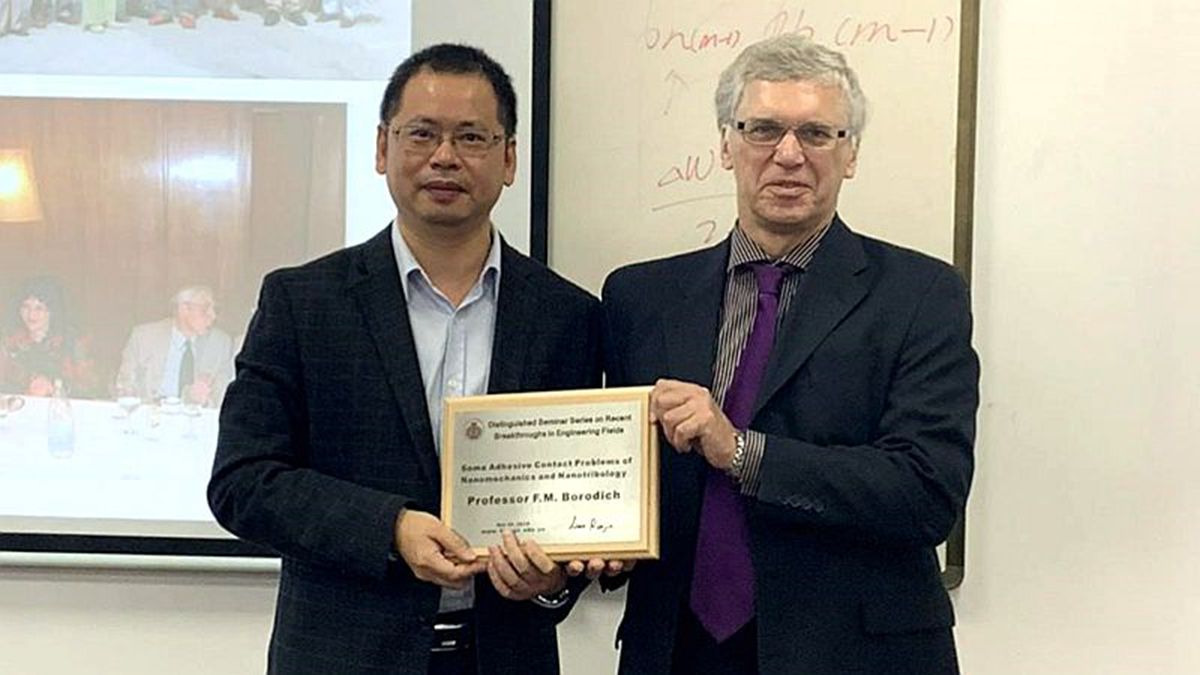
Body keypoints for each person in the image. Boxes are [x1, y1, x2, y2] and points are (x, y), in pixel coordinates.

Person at [208, 44, 608, 675]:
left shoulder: (569, 317)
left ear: (508, 159)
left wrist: (552, 583)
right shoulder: (303, 302)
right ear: (381, 148)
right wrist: (390, 529)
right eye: (421, 133)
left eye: (471, 137)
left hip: (505, 657)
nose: (444, 156)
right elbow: (243, 481)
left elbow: (578, 505)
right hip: (341, 659)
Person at [601, 35, 980, 674]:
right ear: (726, 144)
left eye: (817, 134)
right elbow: (622, 474)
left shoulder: (922, 295)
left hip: (856, 657)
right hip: (676, 652)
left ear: (850, 153)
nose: (788, 154)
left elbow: (926, 492)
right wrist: (593, 542)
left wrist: (740, 451)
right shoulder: (640, 297)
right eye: (763, 129)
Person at [115, 285, 234, 407]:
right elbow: (124, 384)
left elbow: (224, 396)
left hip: (195, 415)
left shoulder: (221, 344)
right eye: (205, 309)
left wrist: (204, 399)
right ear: (184, 309)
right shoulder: (144, 337)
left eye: (215, 309)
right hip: (151, 413)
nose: (213, 316)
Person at [0, 277, 98, 398]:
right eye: (25, 307)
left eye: (39, 308)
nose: (31, 314)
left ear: (52, 311)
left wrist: (53, 387)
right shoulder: (9, 341)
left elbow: (92, 388)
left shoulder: (73, 342)